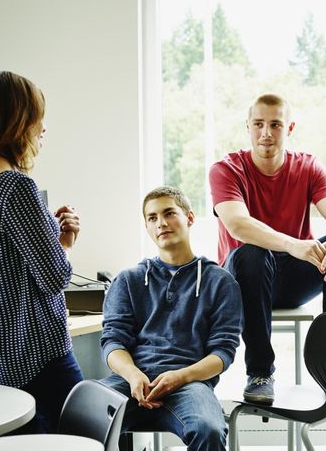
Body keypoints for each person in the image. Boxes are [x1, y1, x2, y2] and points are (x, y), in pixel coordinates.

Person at [0, 71, 83, 433]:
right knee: (86, 438)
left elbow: (4, 264)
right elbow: (54, 277)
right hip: (39, 353)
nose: (43, 127)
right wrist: (66, 243)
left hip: (0, 355)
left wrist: (47, 232)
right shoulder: (14, 186)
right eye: (37, 116)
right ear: (16, 121)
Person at [209, 93, 326, 403]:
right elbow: (238, 225)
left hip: (291, 280)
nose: (266, 133)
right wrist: (294, 245)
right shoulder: (226, 169)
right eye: (258, 124)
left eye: (275, 124)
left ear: (288, 128)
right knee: (252, 252)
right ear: (248, 126)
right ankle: (260, 372)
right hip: (242, 281)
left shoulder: (308, 166)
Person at [100, 186, 242, 451]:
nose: (161, 223)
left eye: (169, 213)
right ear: (146, 226)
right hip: (131, 382)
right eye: (152, 218)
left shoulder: (220, 281)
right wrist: (133, 375)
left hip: (190, 384)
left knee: (209, 430)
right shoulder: (128, 280)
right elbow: (112, 343)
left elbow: (223, 353)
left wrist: (179, 377)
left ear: (190, 218)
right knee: (82, 414)